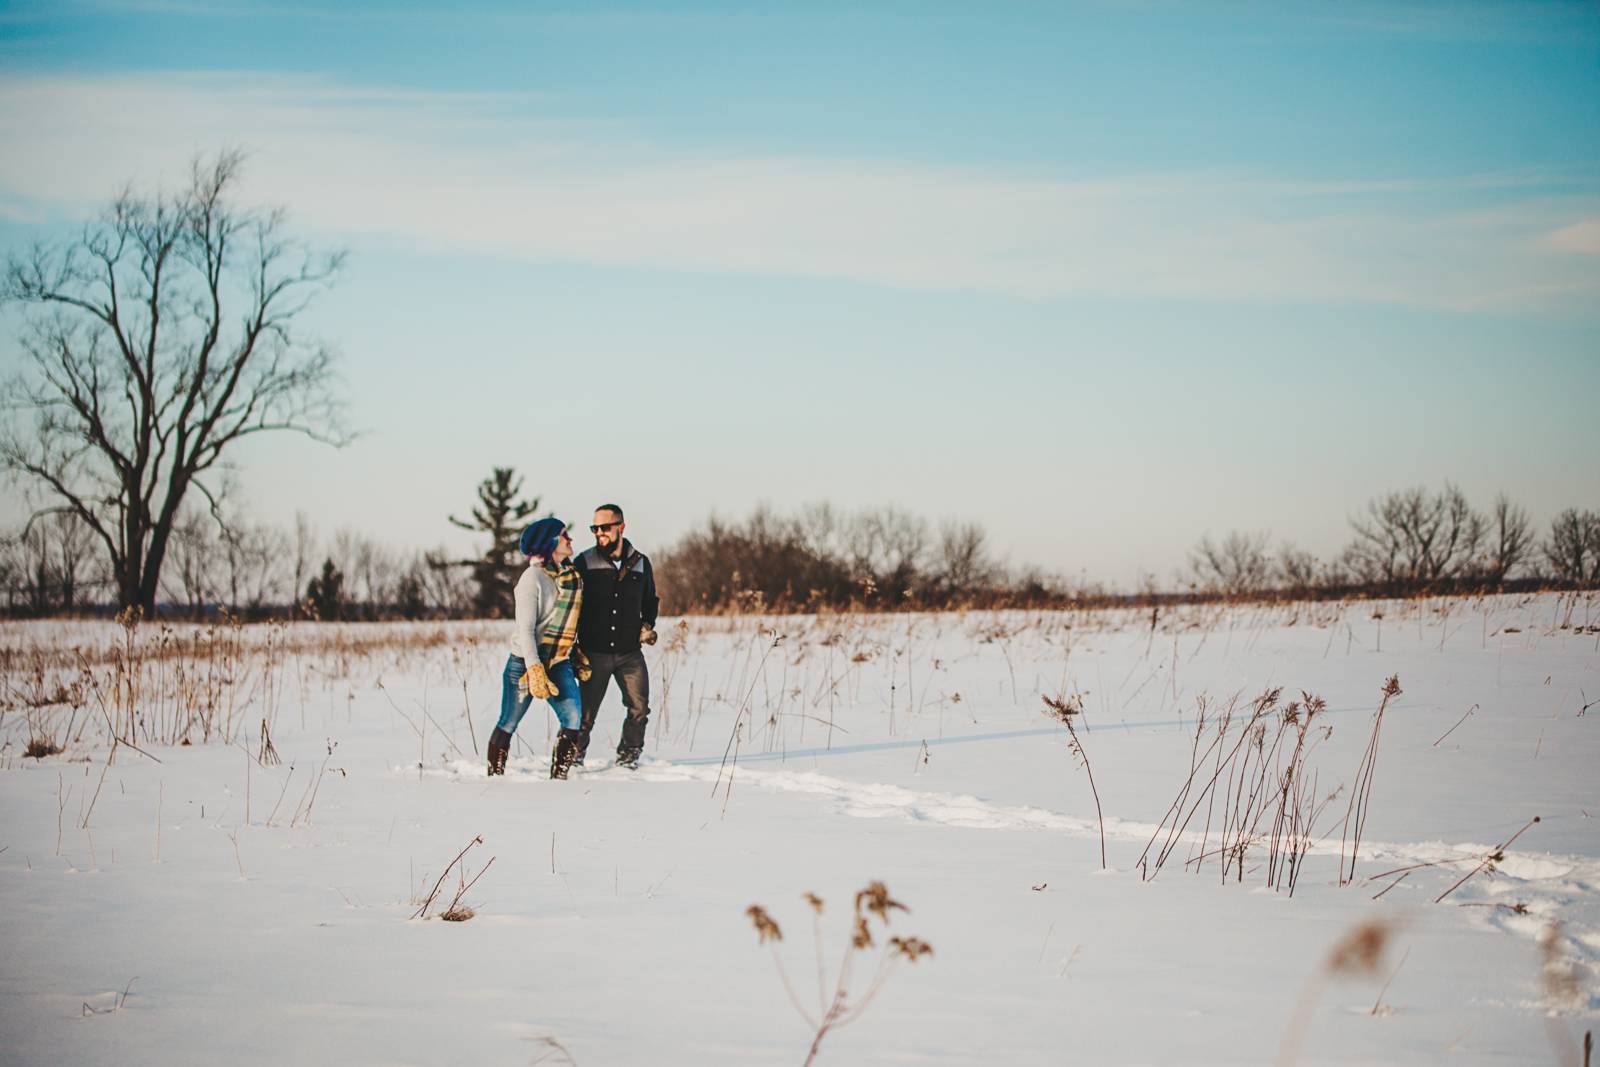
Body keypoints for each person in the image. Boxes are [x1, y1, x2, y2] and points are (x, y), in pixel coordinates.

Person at [486, 517, 588, 780]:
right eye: (565, 535)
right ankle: (495, 776)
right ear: (551, 542)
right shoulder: (532, 579)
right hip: (525, 661)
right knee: (509, 721)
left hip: (557, 660)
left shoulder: (569, 576)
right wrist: (533, 668)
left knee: (573, 717)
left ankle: (559, 778)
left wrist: (575, 650)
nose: (570, 540)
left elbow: (570, 620)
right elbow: (525, 629)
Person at [573, 503, 659, 769]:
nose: (599, 533)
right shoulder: (584, 563)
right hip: (593, 653)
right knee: (584, 716)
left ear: (621, 526)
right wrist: (571, 646)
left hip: (629, 653)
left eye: (605, 527)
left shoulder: (641, 563)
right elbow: (570, 605)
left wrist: (647, 624)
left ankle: (628, 758)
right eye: (594, 528)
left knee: (639, 708)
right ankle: (571, 759)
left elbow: (650, 601)